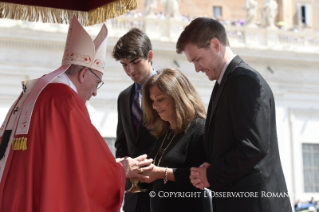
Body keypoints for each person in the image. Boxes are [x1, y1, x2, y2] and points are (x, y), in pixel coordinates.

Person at [0, 16, 153, 212]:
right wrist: (122, 169)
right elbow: (88, 169)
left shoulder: (33, 90)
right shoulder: (65, 101)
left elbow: (63, 160)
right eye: (97, 83)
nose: (96, 92)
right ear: (83, 75)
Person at [176, 17, 292, 212]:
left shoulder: (244, 80)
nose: (196, 68)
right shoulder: (226, 82)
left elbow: (253, 147)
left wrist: (211, 174)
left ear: (215, 44)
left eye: (197, 59)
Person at [140, 68, 210, 212]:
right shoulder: (165, 131)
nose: (154, 106)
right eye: (152, 101)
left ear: (178, 96)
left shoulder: (199, 128)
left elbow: (202, 176)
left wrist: (160, 173)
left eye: (160, 99)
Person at [112, 28, 156, 212]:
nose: (130, 70)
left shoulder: (171, 90)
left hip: (164, 192)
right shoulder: (124, 97)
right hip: (134, 197)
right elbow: (122, 143)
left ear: (150, 56)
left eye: (135, 62)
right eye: (124, 64)